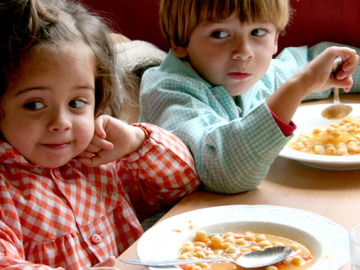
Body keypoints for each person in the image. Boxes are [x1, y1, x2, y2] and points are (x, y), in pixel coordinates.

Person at [0, 0, 199, 269]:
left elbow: (182, 185)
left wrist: (136, 142)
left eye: (76, 103)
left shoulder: (102, 158)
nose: (61, 123)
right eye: (35, 105)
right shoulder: (5, 190)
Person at [139, 0, 360, 194]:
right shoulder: (167, 93)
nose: (244, 52)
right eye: (220, 34)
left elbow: (312, 64)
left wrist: (340, 67)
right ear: (179, 42)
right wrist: (300, 85)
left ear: (275, 39)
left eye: (258, 32)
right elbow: (223, 171)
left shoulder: (254, 75)